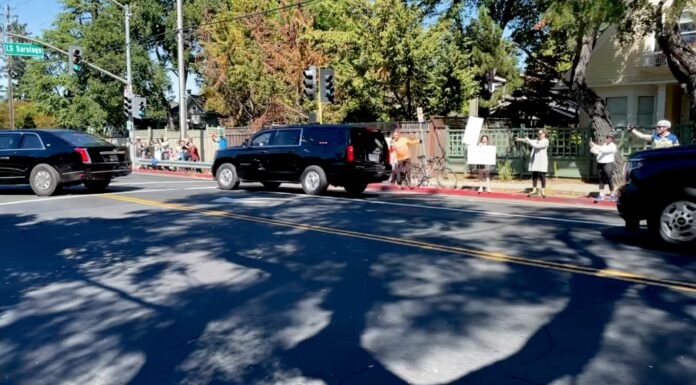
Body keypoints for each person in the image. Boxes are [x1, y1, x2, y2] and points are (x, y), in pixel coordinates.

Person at [516, 128, 549, 197]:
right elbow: (528, 141)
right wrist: (519, 139)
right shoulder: (537, 140)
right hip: (535, 160)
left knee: (542, 175)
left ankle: (543, 190)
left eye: (540, 133)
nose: (538, 134)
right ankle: (534, 189)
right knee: (534, 175)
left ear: (544, 134)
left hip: (542, 160)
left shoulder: (546, 141)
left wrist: (529, 141)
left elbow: (537, 146)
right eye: (538, 133)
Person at [590, 134, 618, 200]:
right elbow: (596, 151)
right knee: (600, 179)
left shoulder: (613, 146)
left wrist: (595, 145)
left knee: (609, 179)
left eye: (609, 138)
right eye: (607, 137)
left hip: (608, 164)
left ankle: (613, 194)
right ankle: (601, 195)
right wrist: (592, 148)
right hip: (600, 164)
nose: (607, 139)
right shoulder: (604, 145)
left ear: (612, 139)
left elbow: (604, 150)